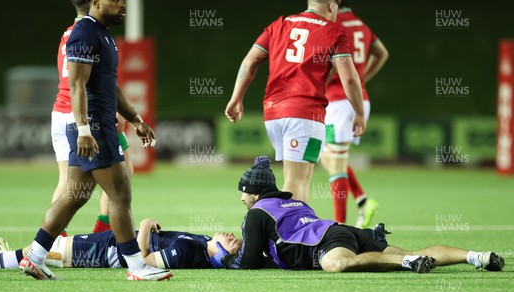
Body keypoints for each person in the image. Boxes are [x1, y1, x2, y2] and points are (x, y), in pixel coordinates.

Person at [19, 0, 171, 281]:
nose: (122, 4)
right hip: (96, 127)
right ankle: (137, 267)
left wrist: (136, 119)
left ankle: (35, 257)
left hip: (96, 125)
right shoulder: (86, 32)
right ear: (96, 3)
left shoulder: (101, 33)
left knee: (74, 195)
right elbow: (77, 84)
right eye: (116, 0)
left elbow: (110, 84)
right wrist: (85, 129)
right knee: (120, 193)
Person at [211, 156, 505, 274]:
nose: (241, 198)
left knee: (337, 264)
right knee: (416, 249)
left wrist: (221, 256)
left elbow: (248, 262)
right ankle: (475, 256)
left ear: (255, 192)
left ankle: (407, 262)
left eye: (244, 192)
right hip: (344, 231)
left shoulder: (257, 213)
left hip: (329, 241)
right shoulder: (292, 202)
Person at [225, 0, 366, 203]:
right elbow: (350, 78)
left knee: (298, 177)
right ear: (332, 5)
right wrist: (359, 113)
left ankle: (277, 219)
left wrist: (236, 98)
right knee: (297, 180)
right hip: (305, 115)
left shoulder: (280, 24)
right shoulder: (333, 31)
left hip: (274, 114)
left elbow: (250, 60)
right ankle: (277, 227)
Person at [51, 0, 133, 236]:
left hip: (62, 111)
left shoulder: (69, 32)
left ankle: (50, 243)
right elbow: (84, 82)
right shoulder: (90, 31)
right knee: (120, 178)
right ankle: (103, 235)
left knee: (70, 186)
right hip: (83, 113)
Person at [0, 219, 242, 271]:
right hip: (110, 241)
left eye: (232, 243)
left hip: (104, 253)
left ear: (221, 254)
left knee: (40, 253)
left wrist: (146, 226)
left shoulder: (190, 253)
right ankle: (2, 255)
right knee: (49, 246)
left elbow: (145, 261)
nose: (231, 237)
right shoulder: (201, 243)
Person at [321, 0, 389, 227]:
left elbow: (331, 66)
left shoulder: (333, 24)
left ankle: (339, 226)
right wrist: (362, 80)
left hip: (340, 102)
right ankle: (362, 200)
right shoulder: (361, 25)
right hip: (355, 101)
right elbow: (382, 53)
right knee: (327, 156)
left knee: (336, 161)